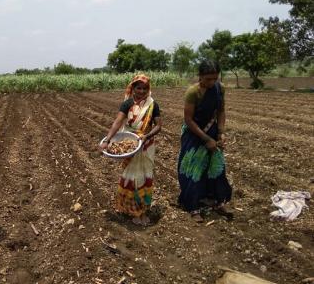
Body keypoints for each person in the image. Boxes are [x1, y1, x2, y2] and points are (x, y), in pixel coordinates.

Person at [99, 74, 162, 226]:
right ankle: (134, 211)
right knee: (132, 177)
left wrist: (147, 136)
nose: (141, 91)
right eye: (138, 88)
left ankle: (143, 210)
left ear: (148, 89)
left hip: (146, 145)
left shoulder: (153, 105)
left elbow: (159, 126)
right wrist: (107, 140)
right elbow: (117, 122)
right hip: (130, 144)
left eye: (144, 88)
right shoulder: (127, 104)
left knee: (145, 176)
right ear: (132, 88)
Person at [177, 60, 232, 222]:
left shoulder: (219, 88)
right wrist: (206, 139)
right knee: (192, 169)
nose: (212, 82)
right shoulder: (193, 92)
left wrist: (221, 132)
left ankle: (216, 200)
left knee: (215, 167)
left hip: (212, 131)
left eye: (215, 78)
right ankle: (193, 206)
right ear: (200, 77)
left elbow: (221, 111)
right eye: (208, 79)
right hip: (195, 134)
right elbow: (188, 119)